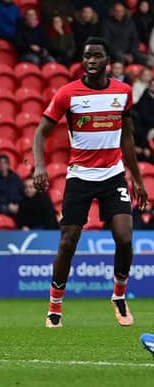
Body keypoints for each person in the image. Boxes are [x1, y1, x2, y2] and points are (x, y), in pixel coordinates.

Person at [33, 37, 149, 329]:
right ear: (83, 60)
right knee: (68, 241)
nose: (92, 61)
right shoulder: (68, 94)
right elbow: (40, 132)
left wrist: (137, 180)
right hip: (80, 176)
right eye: (87, 56)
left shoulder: (122, 92)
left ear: (107, 60)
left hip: (113, 175)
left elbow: (127, 137)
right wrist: (39, 166)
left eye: (97, 56)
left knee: (124, 237)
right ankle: (55, 305)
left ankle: (119, 295)